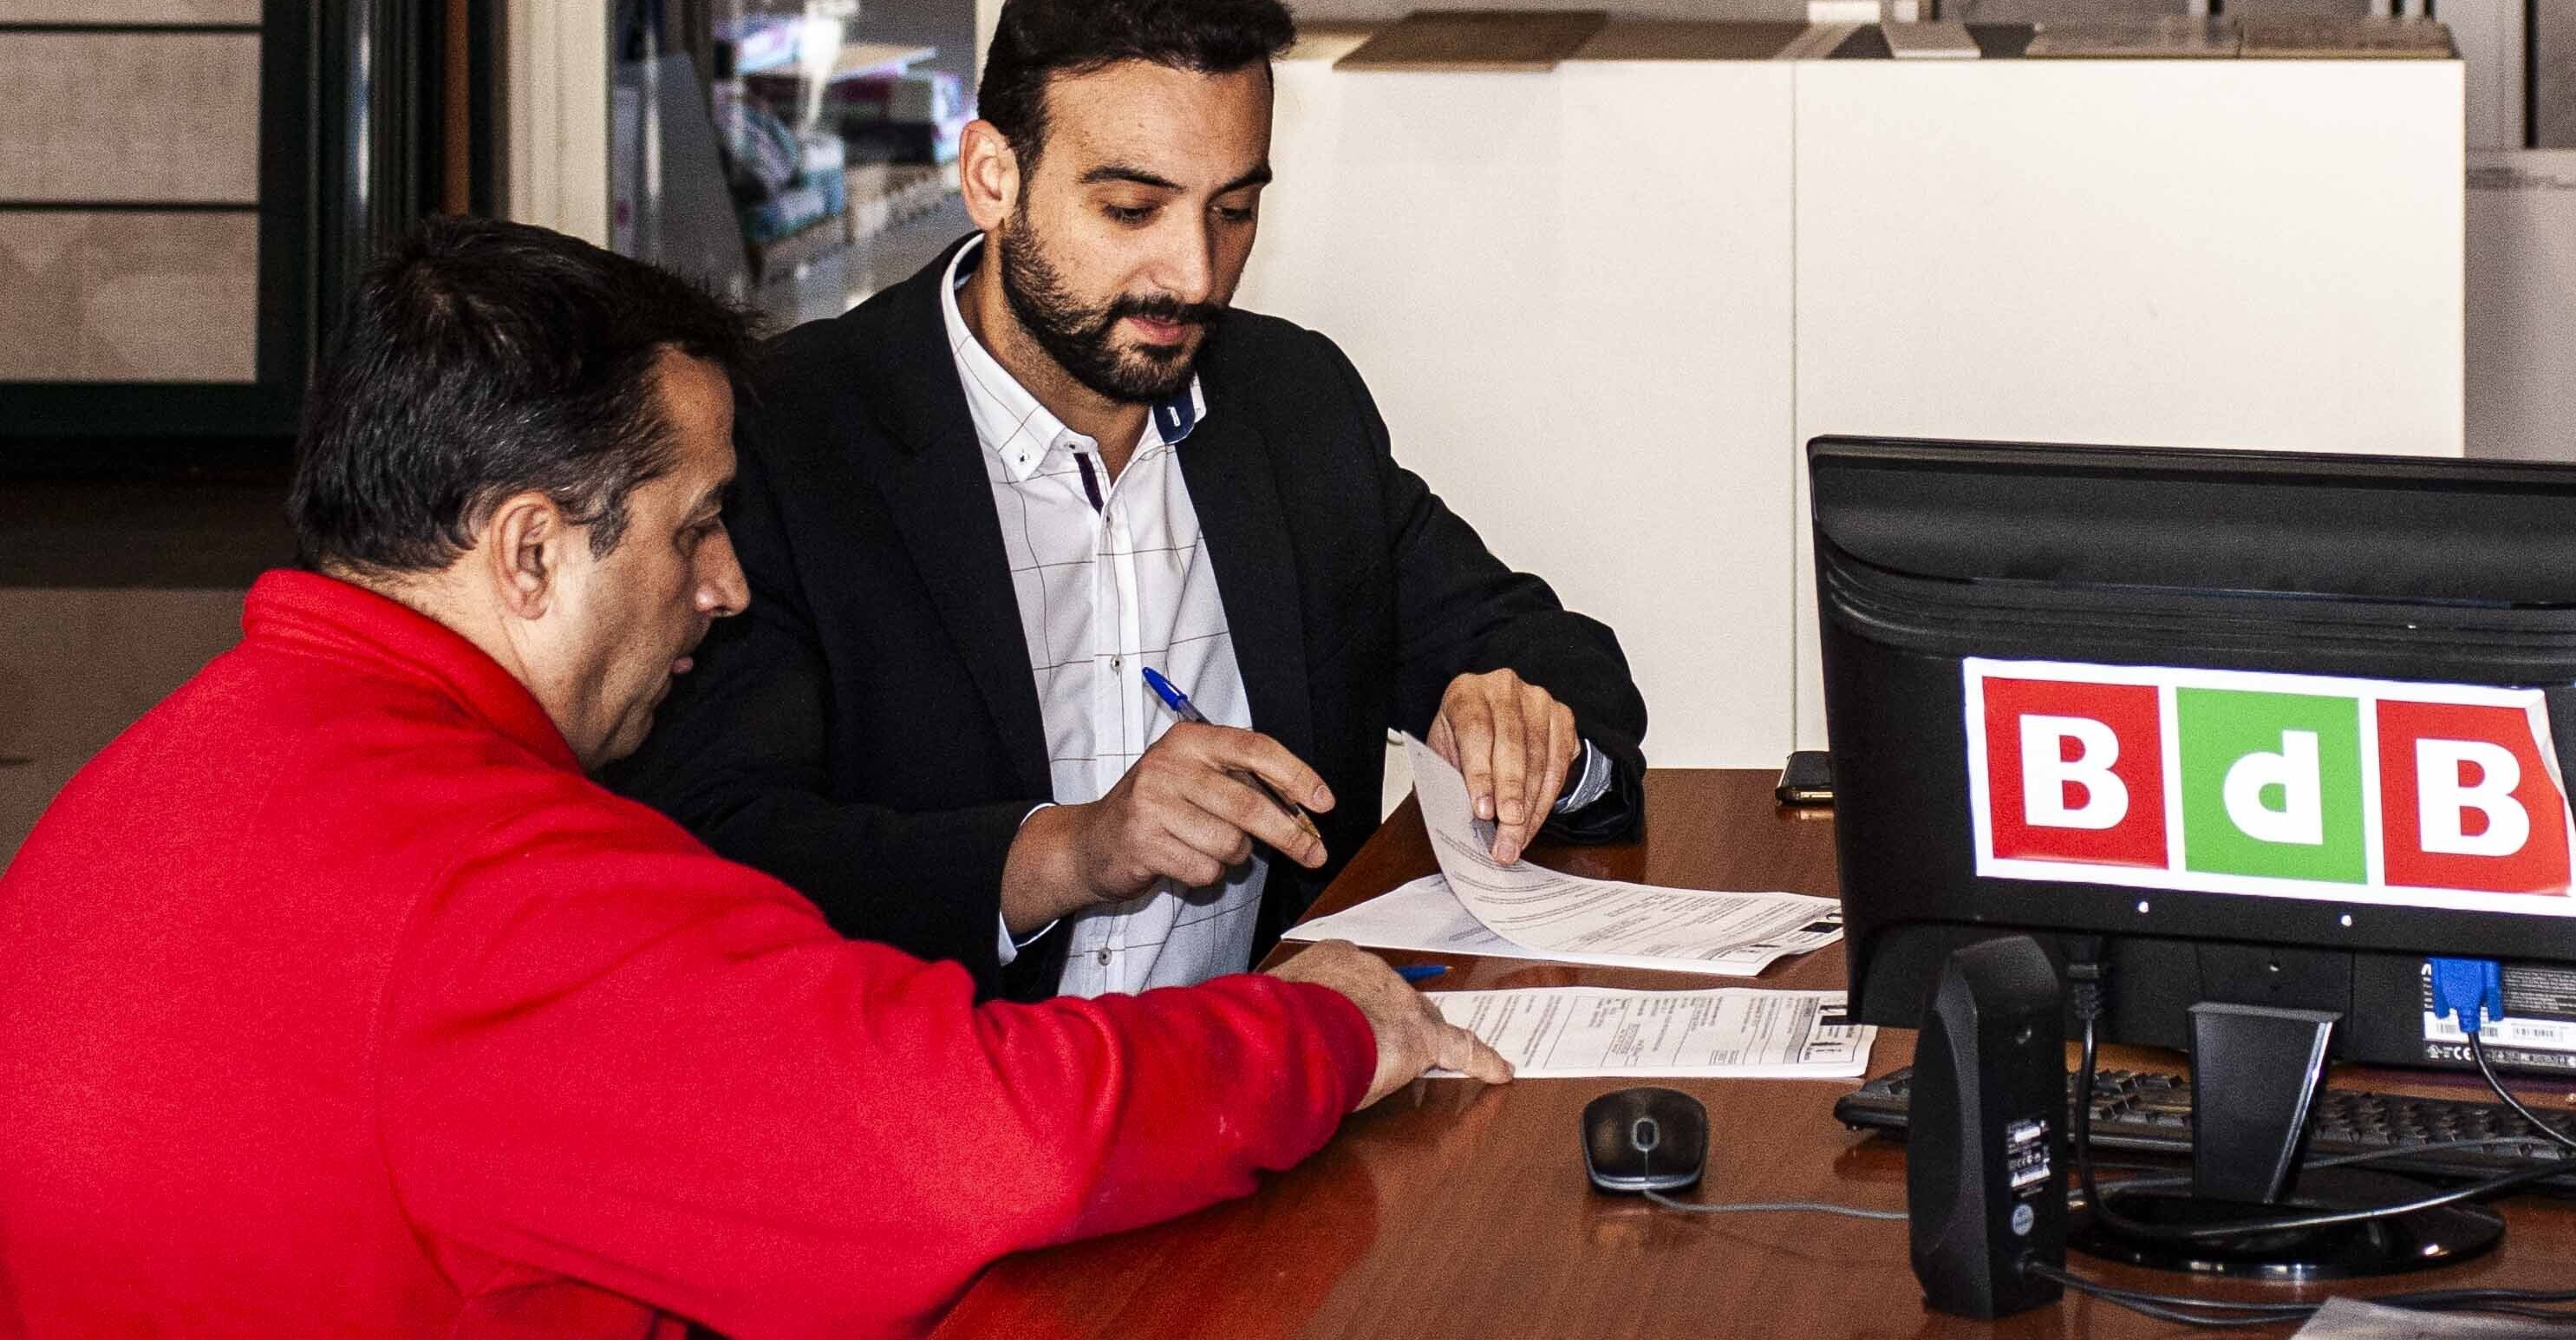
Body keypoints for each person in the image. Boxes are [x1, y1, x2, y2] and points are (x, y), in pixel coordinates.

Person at [0, 218, 1501, 1337]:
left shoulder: (146, 773)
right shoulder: (499, 883)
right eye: (693, 526)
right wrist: (1323, 1028)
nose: (725, 586)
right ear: (531, 551)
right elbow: (969, 1143)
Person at [614, 0, 1648, 1001]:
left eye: (1233, 210)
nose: (1194, 275)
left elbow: (1555, 662)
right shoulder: (790, 434)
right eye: (1130, 210)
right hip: (946, 1084)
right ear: (992, 178)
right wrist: (1068, 852)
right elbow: (714, 846)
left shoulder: (1291, 404)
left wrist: (1523, 724)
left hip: (1266, 1073)